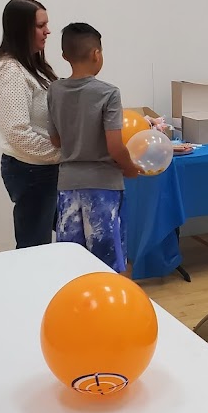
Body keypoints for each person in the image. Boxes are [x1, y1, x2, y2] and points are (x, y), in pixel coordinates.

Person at [47, 22, 141, 272]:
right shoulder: (108, 93)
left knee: (71, 261)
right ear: (96, 54)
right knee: (107, 260)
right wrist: (130, 168)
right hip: (103, 185)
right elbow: (115, 146)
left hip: (68, 185)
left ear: (64, 55)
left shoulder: (54, 90)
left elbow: (55, 140)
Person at [0, 0, 60, 248]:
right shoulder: (10, 71)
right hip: (31, 170)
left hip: (44, 167)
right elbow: (17, 133)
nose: (48, 31)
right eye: (41, 26)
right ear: (22, 30)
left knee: (49, 240)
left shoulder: (33, 65)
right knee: (34, 246)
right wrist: (63, 153)